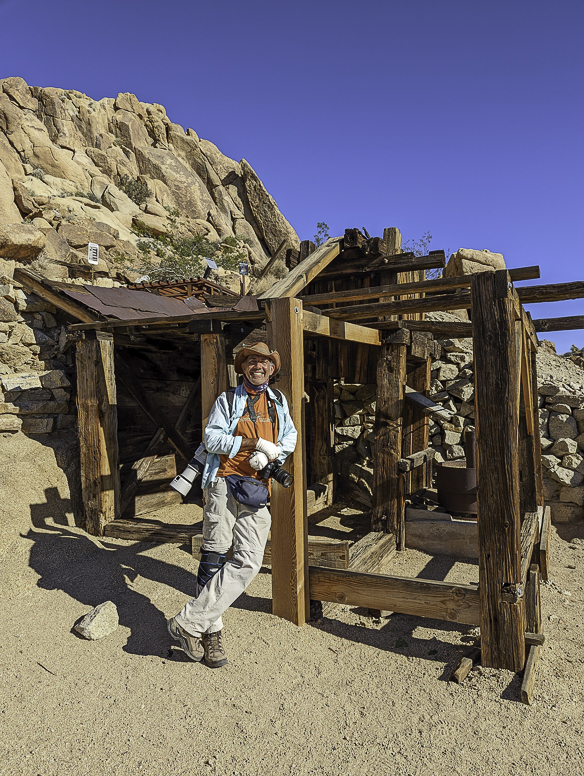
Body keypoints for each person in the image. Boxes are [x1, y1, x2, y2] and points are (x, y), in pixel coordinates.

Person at [167, 342, 297, 667]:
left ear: (272, 368)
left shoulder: (278, 402)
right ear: (243, 368)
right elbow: (211, 439)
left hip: (257, 487)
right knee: (213, 556)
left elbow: (291, 437)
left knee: (249, 561)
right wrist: (251, 442)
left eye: (264, 362)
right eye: (252, 361)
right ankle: (210, 634)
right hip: (223, 482)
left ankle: (187, 622)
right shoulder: (227, 400)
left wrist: (272, 453)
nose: (258, 366)